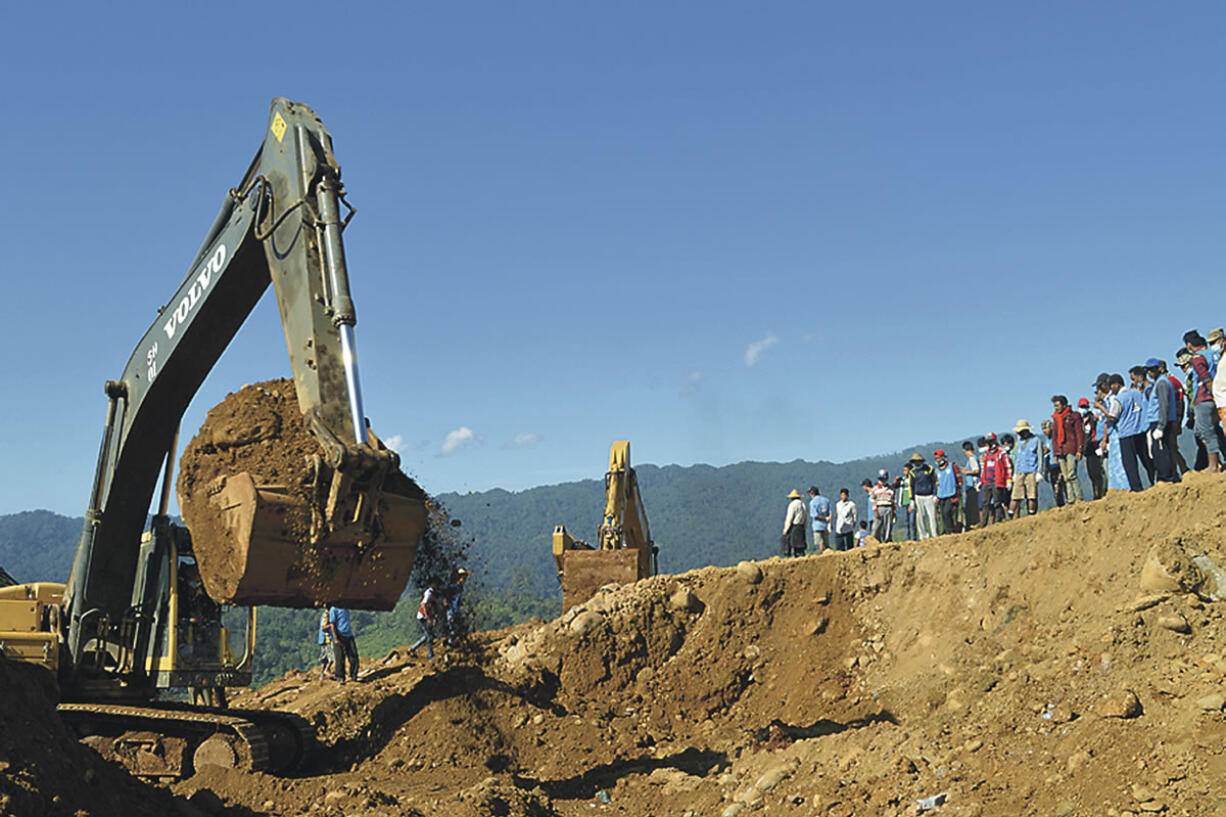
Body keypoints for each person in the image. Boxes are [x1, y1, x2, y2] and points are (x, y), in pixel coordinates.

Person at [1184, 330, 1222, 472]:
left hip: (1204, 397)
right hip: (1214, 396)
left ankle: (1214, 465)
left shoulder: (1198, 358)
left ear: (1189, 345)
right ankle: (1217, 462)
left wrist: (1213, 394)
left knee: (1207, 432)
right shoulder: (1215, 355)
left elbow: (1205, 377)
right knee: (1203, 430)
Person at [1142, 359, 1178, 484]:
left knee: (1161, 450)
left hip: (1160, 421)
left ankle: (1166, 477)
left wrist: (1161, 427)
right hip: (1156, 420)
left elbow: (1164, 405)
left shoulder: (1162, 383)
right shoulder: (1157, 383)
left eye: (1152, 370)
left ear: (1159, 369)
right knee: (1157, 451)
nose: (1150, 373)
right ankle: (1165, 476)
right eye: (1148, 371)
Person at [1109, 372, 1146, 490]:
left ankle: (1137, 489)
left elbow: (1113, 416)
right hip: (1140, 430)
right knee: (1146, 460)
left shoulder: (1118, 399)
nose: (1111, 389)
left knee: (1130, 465)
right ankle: (1155, 481)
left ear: (1116, 384)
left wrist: (1102, 410)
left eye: (1111, 385)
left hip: (1126, 433)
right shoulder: (1136, 393)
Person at [1049, 396, 1084, 504]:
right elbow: (1054, 437)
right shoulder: (1056, 418)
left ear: (1064, 405)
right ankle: (1071, 499)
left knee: (1071, 473)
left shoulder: (1074, 416)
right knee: (1065, 476)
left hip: (1071, 447)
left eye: (1058, 405)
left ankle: (1079, 497)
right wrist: (1055, 453)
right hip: (1061, 450)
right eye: (1055, 406)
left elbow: (1079, 433)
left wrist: (1079, 449)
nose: (1056, 408)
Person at [1009, 420, 1043, 517]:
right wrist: (1015, 472)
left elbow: (1040, 456)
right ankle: (1011, 515)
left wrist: (1039, 472)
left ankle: (1031, 513)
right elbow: (1017, 458)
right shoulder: (1018, 442)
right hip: (1020, 471)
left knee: (1031, 495)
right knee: (1016, 495)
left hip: (1032, 470)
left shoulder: (1036, 440)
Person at [1078, 398, 1105, 499]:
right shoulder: (1079, 420)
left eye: (1085, 407)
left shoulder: (1092, 417)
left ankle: (1098, 495)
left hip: (1094, 447)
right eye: (1082, 407)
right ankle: (1095, 494)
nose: (1083, 409)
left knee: (1096, 472)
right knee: (1090, 473)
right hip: (1086, 450)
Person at [408, 581, 441, 660]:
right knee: (429, 637)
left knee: (428, 635)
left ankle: (412, 648)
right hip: (422, 617)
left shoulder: (434, 593)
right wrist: (428, 618)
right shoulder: (428, 593)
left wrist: (435, 617)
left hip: (427, 616)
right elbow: (424, 605)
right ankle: (431, 656)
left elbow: (434, 606)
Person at [326, 605, 359, 683]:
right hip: (339, 636)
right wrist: (335, 638)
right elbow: (332, 624)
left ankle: (354, 675)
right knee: (340, 658)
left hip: (349, 635)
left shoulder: (346, 608)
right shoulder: (334, 609)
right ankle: (340, 677)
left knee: (353, 656)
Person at [932, 450, 962, 535]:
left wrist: (959, 487)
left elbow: (958, 477)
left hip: (951, 493)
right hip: (941, 494)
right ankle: (946, 530)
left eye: (938, 458)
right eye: (935, 458)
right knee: (943, 514)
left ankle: (952, 530)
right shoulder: (936, 470)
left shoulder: (952, 466)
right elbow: (936, 482)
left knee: (947, 512)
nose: (937, 460)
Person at [1040, 420, 1065, 506]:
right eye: (1043, 429)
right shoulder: (1046, 440)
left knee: (1063, 484)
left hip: (1059, 464)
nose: (1044, 431)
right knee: (1055, 488)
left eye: (1046, 428)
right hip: (1051, 466)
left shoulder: (1057, 437)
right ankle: (1060, 505)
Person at [445, 568, 470, 647]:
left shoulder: (460, 587)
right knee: (453, 630)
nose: (464, 579)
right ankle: (449, 644)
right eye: (463, 577)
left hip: (456, 611)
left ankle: (461, 643)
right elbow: (445, 596)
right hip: (451, 611)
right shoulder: (452, 587)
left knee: (461, 627)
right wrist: (446, 602)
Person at [869, 471, 896, 542]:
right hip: (879, 508)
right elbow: (872, 500)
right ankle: (875, 541)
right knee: (876, 527)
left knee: (887, 527)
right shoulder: (875, 489)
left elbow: (894, 501)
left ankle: (887, 540)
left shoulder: (891, 489)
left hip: (889, 507)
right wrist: (875, 511)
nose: (883, 480)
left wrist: (894, 512)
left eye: (884, 479)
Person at [978, 434, 999, 525]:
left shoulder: (1000, 452)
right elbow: (984, 469)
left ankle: (999, 521)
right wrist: (982, 481)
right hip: (987, 480)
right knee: (985, 503)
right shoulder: (986, 454)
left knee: (997, 502)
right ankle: (983, 523)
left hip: (996, 480)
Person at [782, 489, 807, 557]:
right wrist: (804, 527)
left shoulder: (792, 505)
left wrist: (785, 529)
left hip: (795, 526)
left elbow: (789, 518)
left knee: (790, 542)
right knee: (800, 546)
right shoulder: (803, 504)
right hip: (801, 526)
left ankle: (788, 555)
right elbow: (805, 517)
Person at [961, 441, 980, 530]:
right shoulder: (973, 458)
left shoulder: (972, 459)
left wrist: (966, 472)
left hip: (973, 485)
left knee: (971, 507)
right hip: (970, 485)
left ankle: (972, 525)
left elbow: (976, 470)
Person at [808, 486, 832, 554]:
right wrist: (829, 522)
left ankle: (822, 556)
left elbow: (815, 515)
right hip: (825, 525)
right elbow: (830, 513)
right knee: (826, 543)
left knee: (820, 543)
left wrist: (825, 518)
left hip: (817, 525)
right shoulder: (826, 500)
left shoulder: (813, 502)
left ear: (812, 493)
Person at [896, 465, 916, 541]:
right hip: (904, 503)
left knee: (912, 521)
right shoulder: (902, 480)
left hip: (911, 503)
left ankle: (914, 537)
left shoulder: (913, 479)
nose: (905, 472)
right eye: (904, 470)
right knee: (906, 522)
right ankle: (907, 538)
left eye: (906, 470)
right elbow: (895, 486)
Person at [317, 606, 336, 681]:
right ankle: (327, 670)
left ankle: (321, 675)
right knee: (332, 657)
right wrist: (331, 626)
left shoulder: (325, 614)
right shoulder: (327, 615)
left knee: (325, 659)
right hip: (326, 639)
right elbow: (323, 627)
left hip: (323, 639)